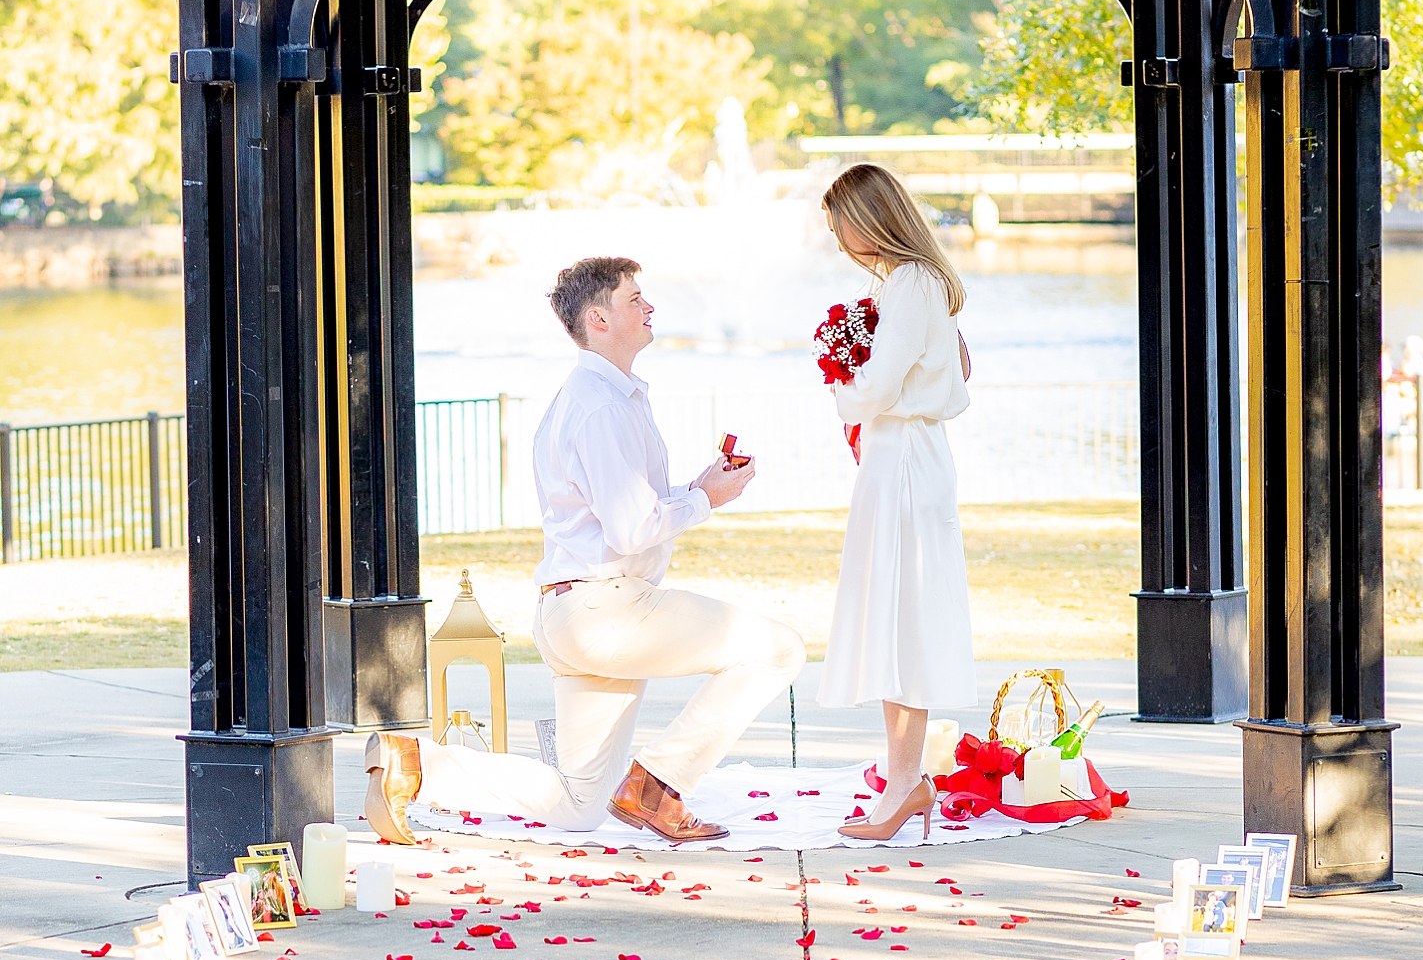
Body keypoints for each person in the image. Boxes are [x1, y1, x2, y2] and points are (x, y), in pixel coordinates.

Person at [364, 257, 806, 844]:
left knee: (577, 804)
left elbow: (619, 509)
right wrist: (707, 502)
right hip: (608, 611)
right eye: (634, 299)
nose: (649, 308)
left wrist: (698, 488)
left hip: (574, 612)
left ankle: (413, 764)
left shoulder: (600, 397)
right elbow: (629, 530)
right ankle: (659, 785)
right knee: (778, 650)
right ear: (598, 318)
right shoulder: (600, 407)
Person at [817, 163, 977, 841]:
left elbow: (880, 386)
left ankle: (905, 785)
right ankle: (903, 780)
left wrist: (841, 391)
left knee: (903, 624)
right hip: (904, 457)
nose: (838, 236)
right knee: (896, 622)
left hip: (904, 460)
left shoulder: (912, 283)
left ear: (868, 217)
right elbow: (961, 365)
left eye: (841, 222)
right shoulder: (919, 283)